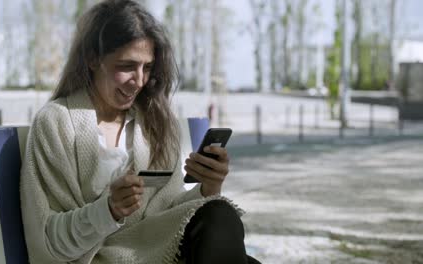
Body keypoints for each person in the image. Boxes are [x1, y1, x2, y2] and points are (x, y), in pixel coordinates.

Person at [20, 0, 261, 263]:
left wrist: (209, 187)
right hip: (103, 258)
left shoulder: (153, 122)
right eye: (126, 66)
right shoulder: (56, 123)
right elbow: (49, 241)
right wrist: (108, 210)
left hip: (158, 248)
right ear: (92, 58)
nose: (139, 81)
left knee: (218, 213)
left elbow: (167, 211)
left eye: (147, 67)